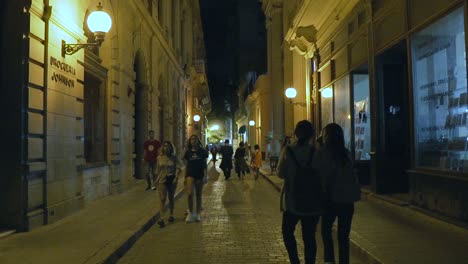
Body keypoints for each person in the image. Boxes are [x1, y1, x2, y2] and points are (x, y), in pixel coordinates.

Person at [313, 123, 361, 264]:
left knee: (326, 232)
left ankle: (329, 260)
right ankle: (344, 261)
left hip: (330, 199)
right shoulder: (346, 153)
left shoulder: (322, 153)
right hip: (347, 200)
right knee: (343, 236)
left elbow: (319, 175)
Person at [277, 120, 320, 264]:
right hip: (313, 201)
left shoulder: (288, 150)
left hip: (292, 201)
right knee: (309, 237)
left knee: (287, 232)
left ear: (295, 133)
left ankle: (295, 260)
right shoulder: (316, 152)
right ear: (311, 135)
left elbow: (280, 174)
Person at [155, 141, 184, 228]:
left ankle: (171, 214)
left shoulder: (174, 158)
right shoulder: (159, 158)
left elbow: (180, 166)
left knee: (171, 197)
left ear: (171, 148)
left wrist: (176, 176)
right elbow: (158, 170)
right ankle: (161, 218)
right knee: (162, 198)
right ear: (162, 148)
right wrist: (156, 180)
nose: (166, 148)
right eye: (164, 146)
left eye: (168, 146)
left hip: (172, 179)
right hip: (162, 179)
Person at [183, 135, 208, 222]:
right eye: (191, 139)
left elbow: (205, 164)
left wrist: (206, 175)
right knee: (189, 193)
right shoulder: (188, 152)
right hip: (190, 173)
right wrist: (185, 177)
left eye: (195, 139)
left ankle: (197, 213)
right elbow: (186, 164)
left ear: (198, 141)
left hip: (199, 173)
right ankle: (190, 212)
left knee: (198, 194)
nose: (193, 141)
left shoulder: (202, 151)